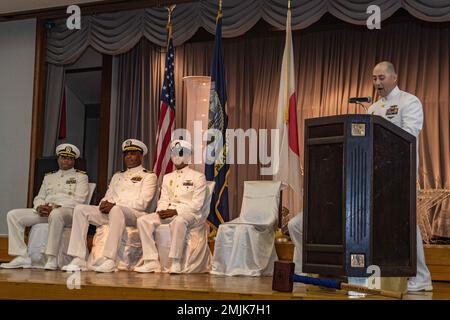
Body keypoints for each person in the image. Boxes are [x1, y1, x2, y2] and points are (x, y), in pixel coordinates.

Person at [368, 61, 432, 292]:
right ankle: (390, 277)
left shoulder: (409, 101)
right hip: (377, 178)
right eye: (374, 78)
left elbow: (409, 135)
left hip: (400, 176)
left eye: (381, 78)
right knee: (385, 226)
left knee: (406, 224)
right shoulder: (372, 109)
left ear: (394, 78)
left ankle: (421, 277)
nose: (377, 83)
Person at [62, 139, 157, 273]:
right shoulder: (117, 175)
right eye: (127, 154)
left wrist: (114, 205)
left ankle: (110, 259)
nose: (129, 156)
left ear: (141, 156)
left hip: (134, 214)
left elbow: (142, 203)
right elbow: (108, 196)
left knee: (116, 209)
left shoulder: (148, 176)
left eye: (133, 153)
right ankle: (79, 258)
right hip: (112, 212)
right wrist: (103, 204)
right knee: (81, 209)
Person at [0, 144, 89, 270]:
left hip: (68, 213)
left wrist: (55, 207)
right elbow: (39, 197)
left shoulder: (81, 177)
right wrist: (39, 207)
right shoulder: (49, 177)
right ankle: (21, 256)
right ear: (58, 159)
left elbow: (79, 200)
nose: (66, 161)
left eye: (69, 158)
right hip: (46, 212)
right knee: (13, 215)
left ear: (74, 161)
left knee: (56, 214)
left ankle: (51, 258)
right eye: (63, 157)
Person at [134, 139, 206, 274]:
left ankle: (176, 261)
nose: (176, 156)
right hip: (167, 212)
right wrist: (161, 211)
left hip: (189, 214)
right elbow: (163, 199)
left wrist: (176, 211)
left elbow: (197, 204)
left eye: (180, 153)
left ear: (188, 156)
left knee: (179, 221)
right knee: (143, 220)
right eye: (173, 153)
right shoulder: (167, 177)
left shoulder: (198, 177)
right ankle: (151, 261)